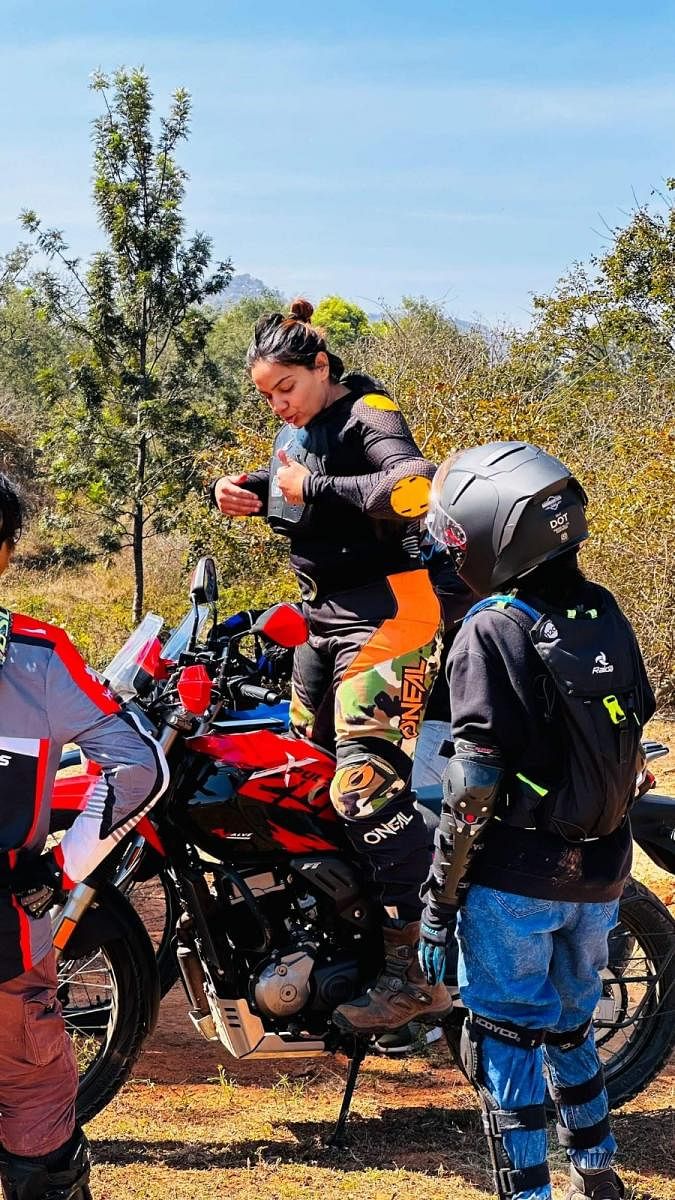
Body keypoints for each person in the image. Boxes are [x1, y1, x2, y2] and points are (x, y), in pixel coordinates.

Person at [418, 442, 655, 1200]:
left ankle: (527, 1192)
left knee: (508, 1034)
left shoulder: (491, 628)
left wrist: (436, 903)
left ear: (492, 532)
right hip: (599, 874)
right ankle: (597, 1170)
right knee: (569, 1024)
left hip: (513, 878)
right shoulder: (603, 611)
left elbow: (471, 780)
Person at [211, 298, 451, 1034]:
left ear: (321, 367)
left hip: (391, 616)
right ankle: (338, 935)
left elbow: (415, 487)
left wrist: (306, 490)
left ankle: (416, 972)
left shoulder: (367, 411)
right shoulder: (307, 429)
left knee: (359, 786)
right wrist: (248, 489)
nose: (277, 404)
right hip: (322, 626)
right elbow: (300, 479)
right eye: (266, 396)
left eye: (284, 387)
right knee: (301, 781)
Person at [0, 475, 169, 1200]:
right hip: (7, 942)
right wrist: (62, 873)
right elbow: (138, 768)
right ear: (5, 554)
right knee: (36, 1115)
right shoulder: (35, 658)